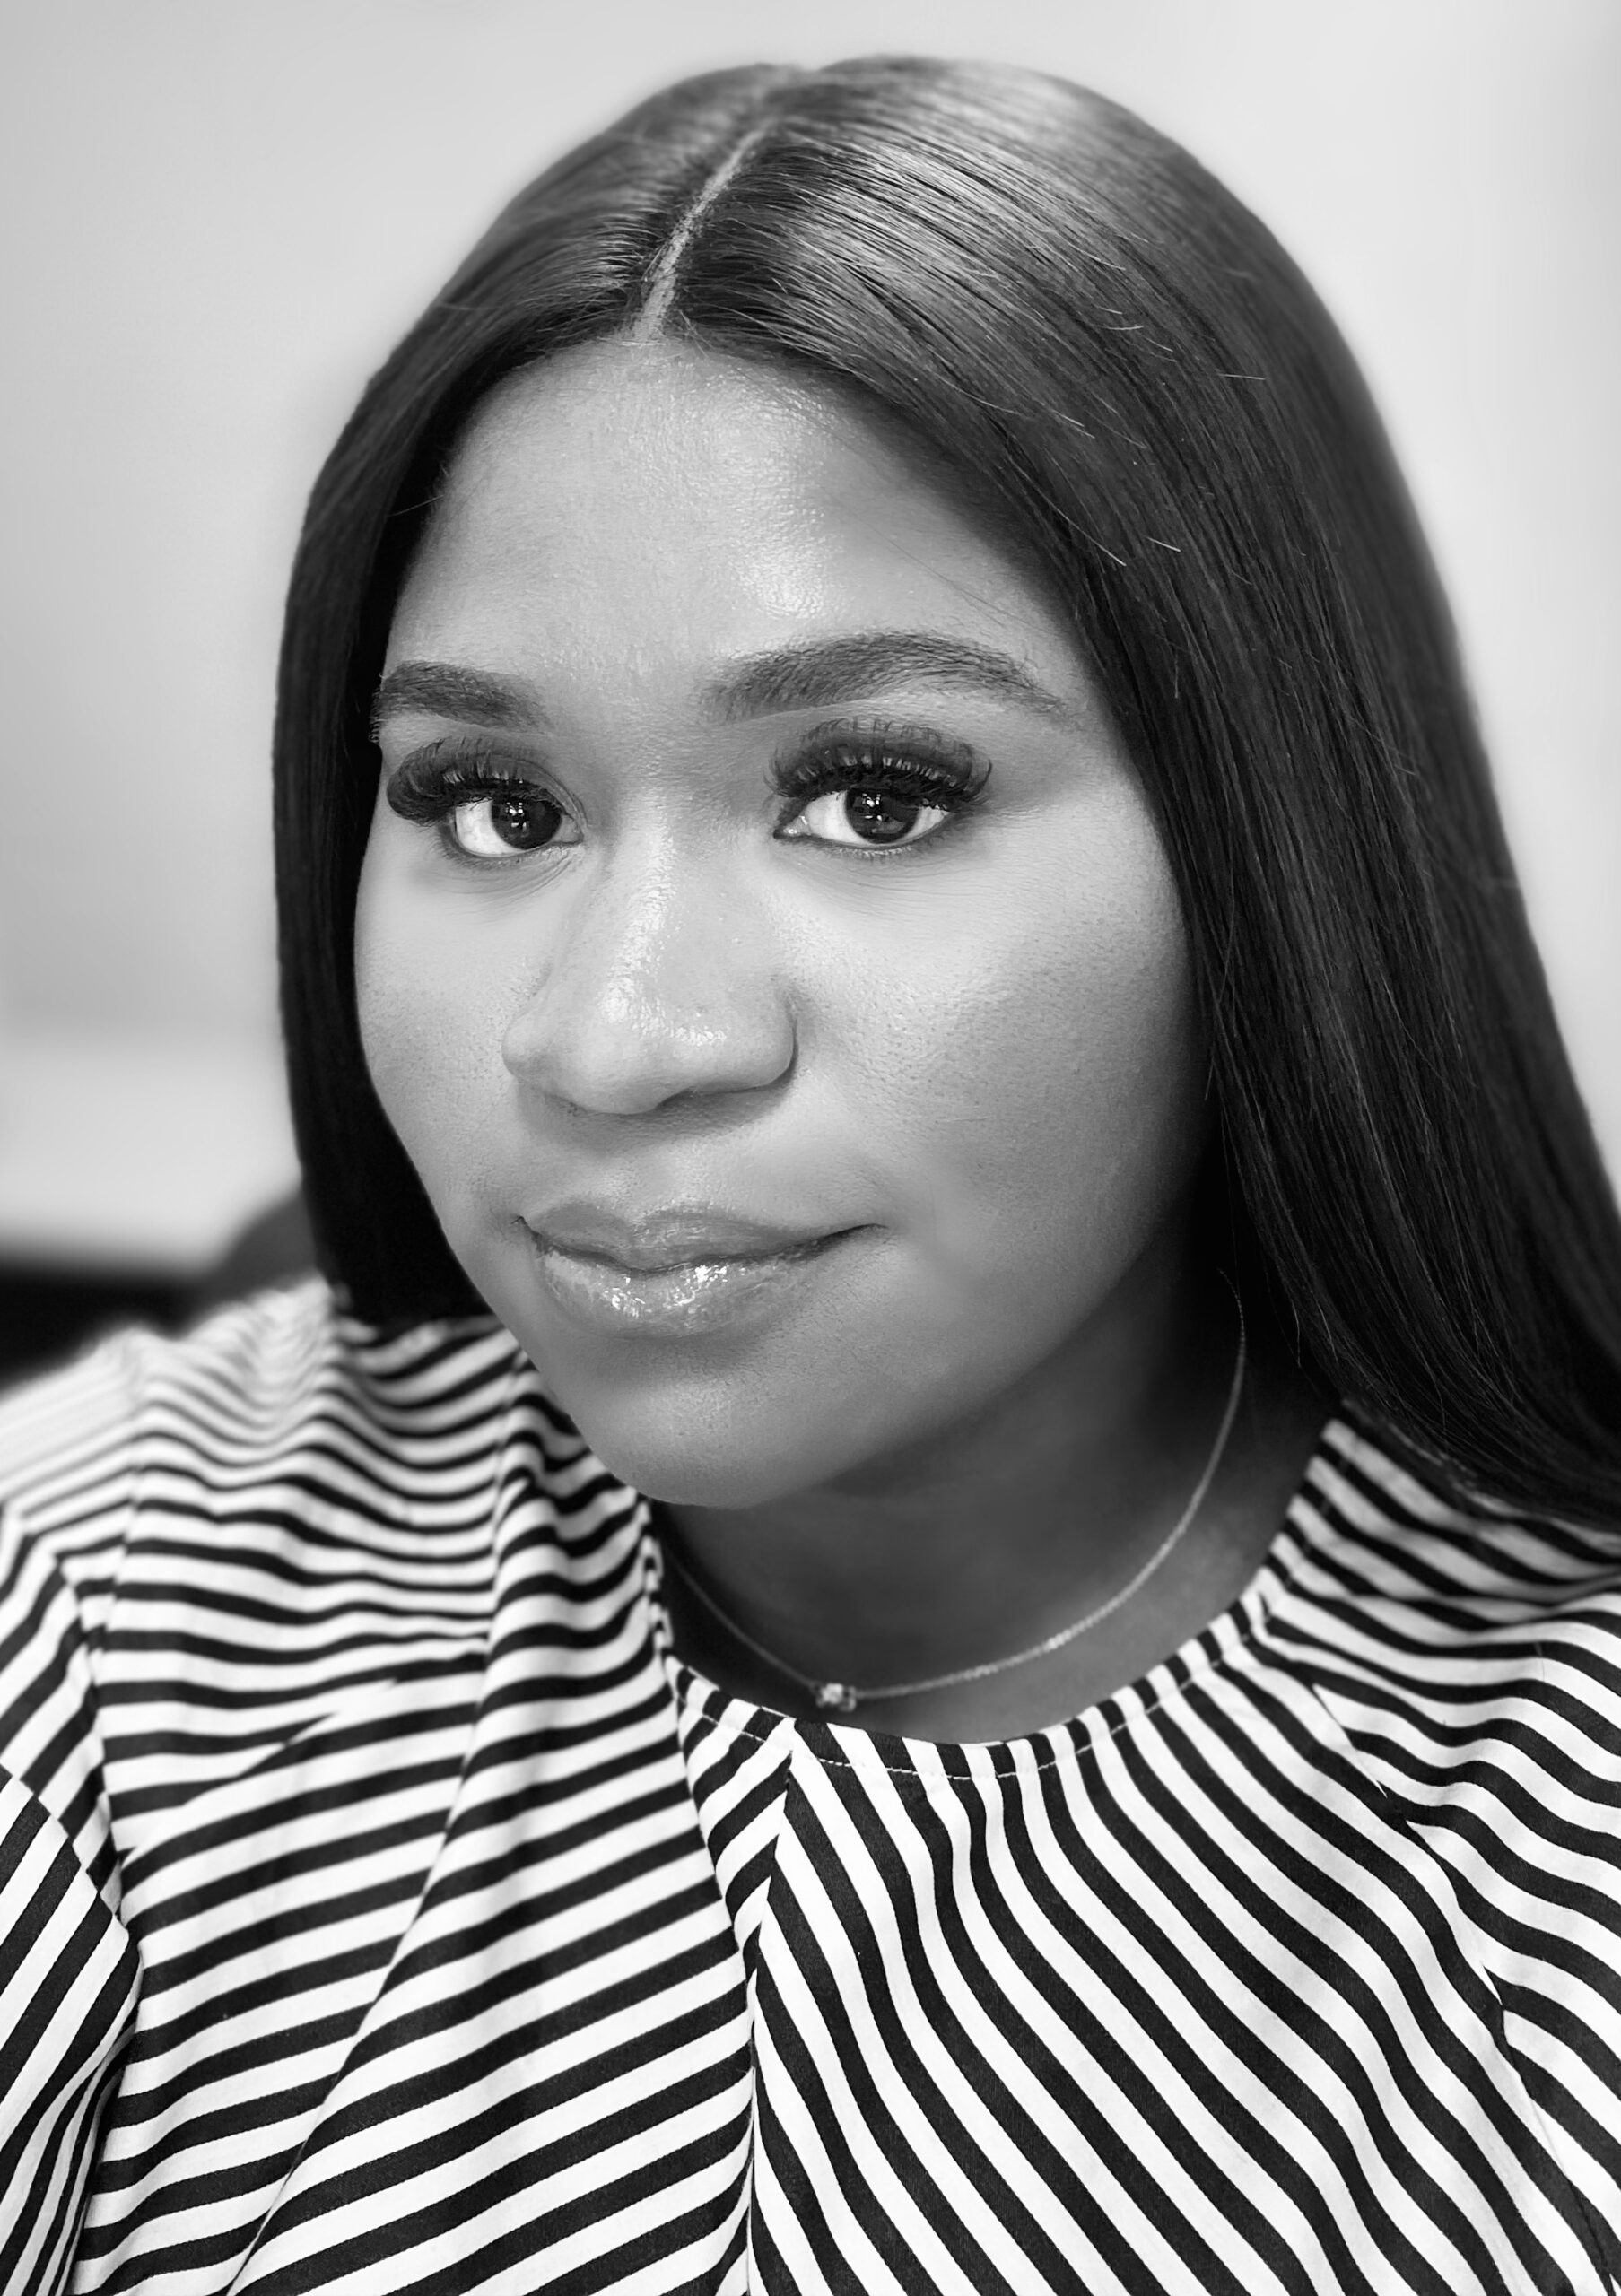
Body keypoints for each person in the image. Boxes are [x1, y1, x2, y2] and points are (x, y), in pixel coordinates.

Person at [3, 52, 1619, 2296]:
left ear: (1273, 845)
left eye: (872, 793)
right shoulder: (107, 1614)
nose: (610, 1037)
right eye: (491, 802)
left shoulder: (1549, 1831)